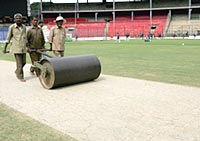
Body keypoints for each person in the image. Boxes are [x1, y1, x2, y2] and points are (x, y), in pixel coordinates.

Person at [2, 13, 27, 82]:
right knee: (19, 63)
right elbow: (8, 38)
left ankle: (17, 71)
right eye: (17, 18)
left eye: (19, 18)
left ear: (22, 19)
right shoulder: (12, 27)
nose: (18, 19)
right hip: (16, 47)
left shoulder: (24, 27)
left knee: (24, 62)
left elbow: (25, 38)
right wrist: (5, 48)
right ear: (14, 20)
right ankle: (20, 76)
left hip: (23, 47)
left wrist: (28, 46)